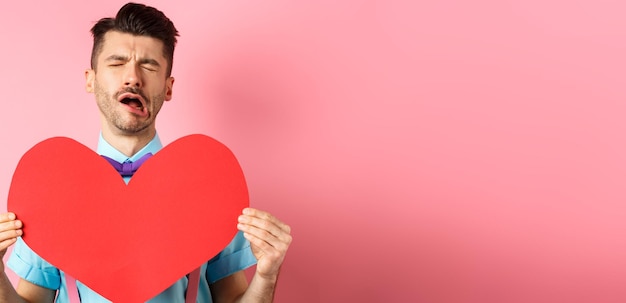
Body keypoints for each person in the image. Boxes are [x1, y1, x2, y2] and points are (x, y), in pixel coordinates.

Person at [0, 2, 292, 302]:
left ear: (168, 87)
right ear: (91, 79)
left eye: (149, 65)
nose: (133, 78)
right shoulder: (51, 189)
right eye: (117, 63)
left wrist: (267, 275)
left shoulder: (210, 186)